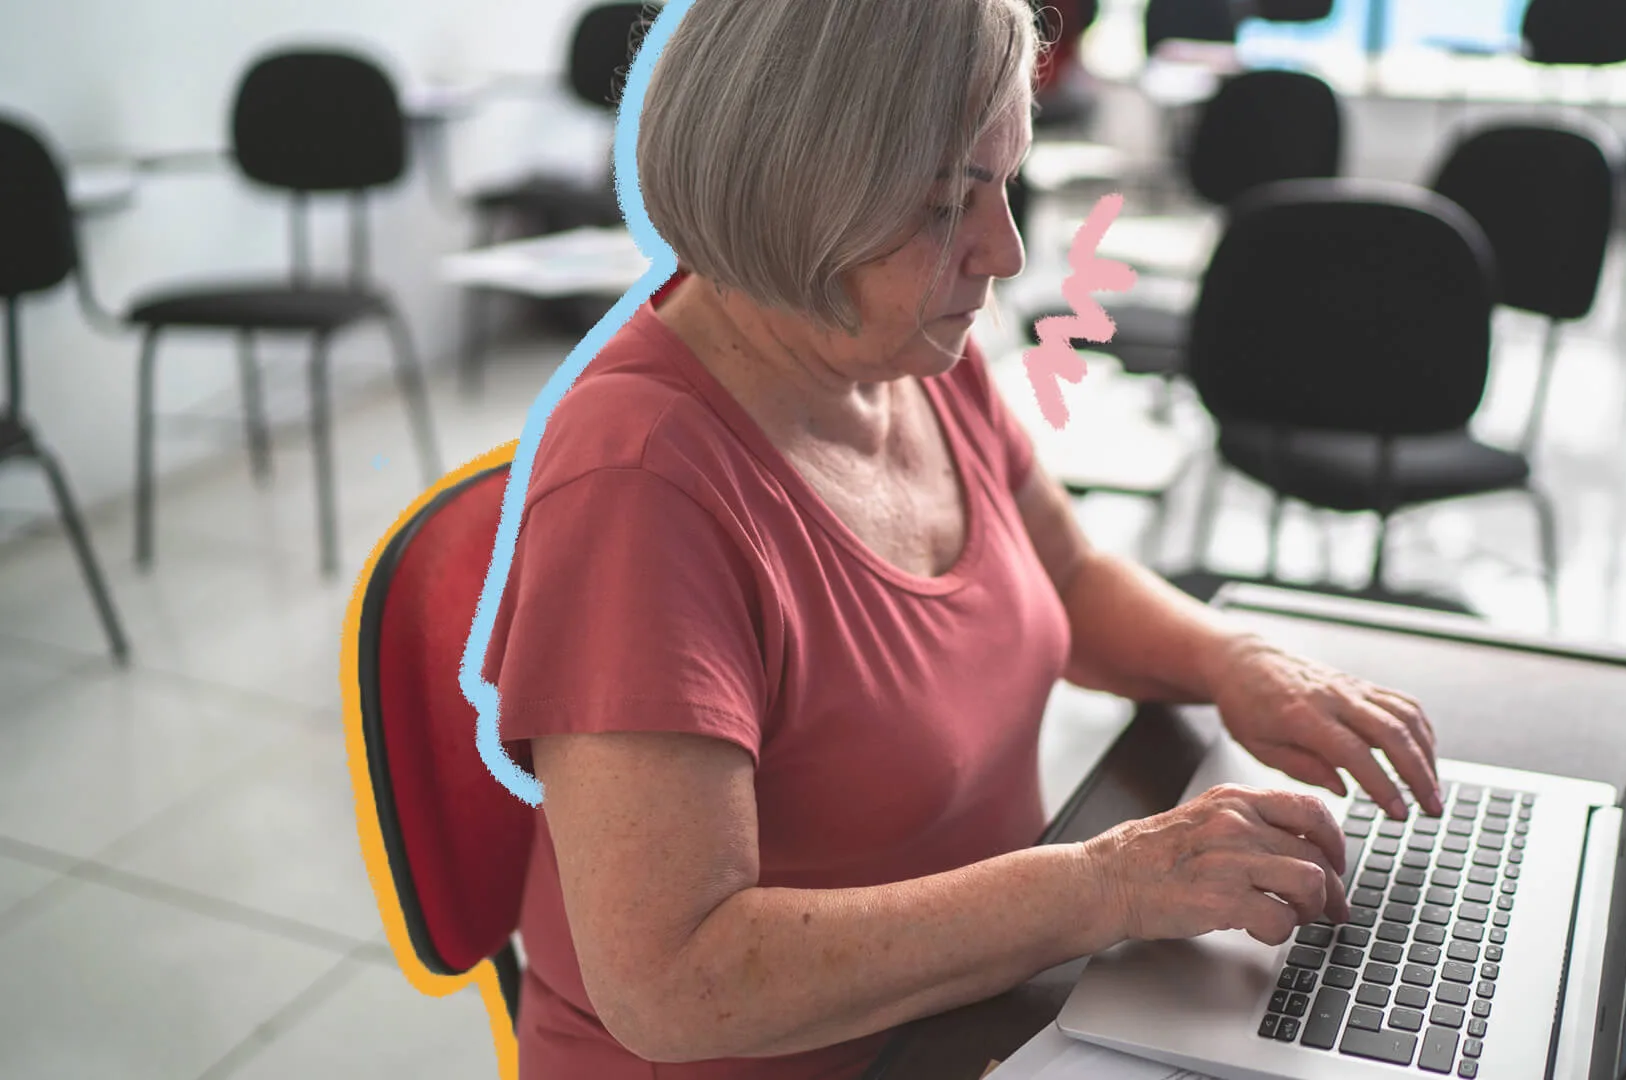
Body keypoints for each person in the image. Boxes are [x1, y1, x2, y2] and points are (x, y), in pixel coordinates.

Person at [481, 0, 1442, 1076]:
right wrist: (1110, 883)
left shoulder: (903, 349)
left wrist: (1238, 662)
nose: (1004, 251)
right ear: (793, 198)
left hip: (969, 1012)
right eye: (946, 206)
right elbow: (674, 985)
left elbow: (1067, 577)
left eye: (1004, 183)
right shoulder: (641, 482)